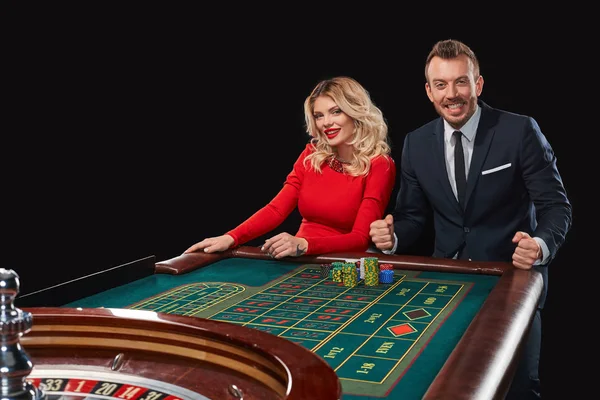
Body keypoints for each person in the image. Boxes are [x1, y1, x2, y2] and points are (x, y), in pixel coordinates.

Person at [369, 39, 572, 399]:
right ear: (429, 91)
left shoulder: (519, 131)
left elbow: (556, 206)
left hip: (512, 281)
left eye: (461, 82)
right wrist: (393, 236)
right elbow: (412, 217)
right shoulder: (416, 143)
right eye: (442, 85)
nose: (453, 94)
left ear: (477, 84)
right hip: (447, 285)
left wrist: (539, 245)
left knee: (519, 389)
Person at [185, 76, 396, 259]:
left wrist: (304, 245)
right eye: (319, 115)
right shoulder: (311, 155)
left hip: (340, 262)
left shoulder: (379, 165)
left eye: (336, 112)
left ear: (355, 113)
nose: (326, 123)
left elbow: (359, 238)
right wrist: (231, 237)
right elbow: (276, 209)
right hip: (299, 258)